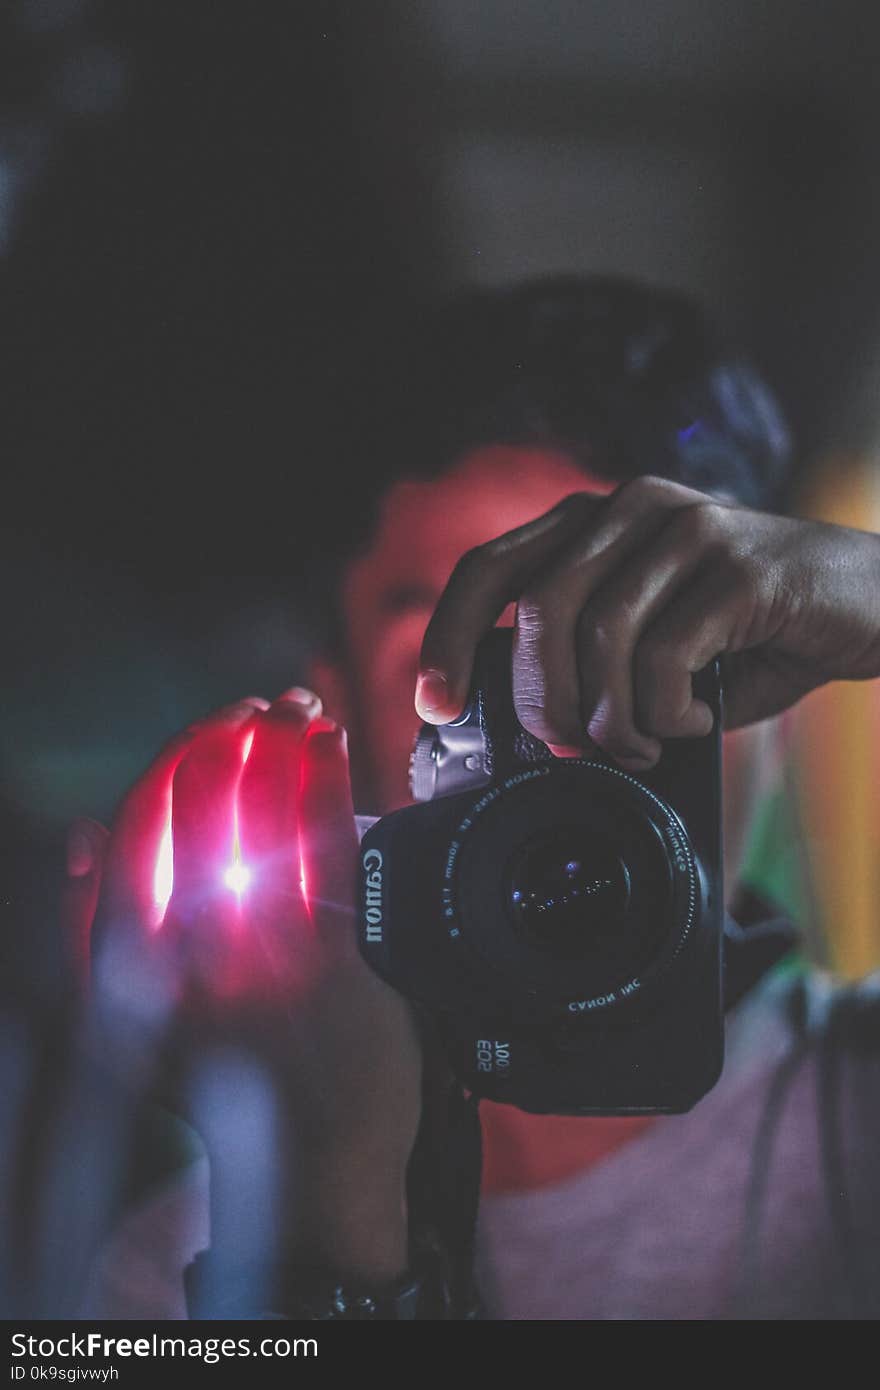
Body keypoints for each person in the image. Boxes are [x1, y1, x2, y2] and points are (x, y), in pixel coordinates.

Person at [64, 276, 880, 1320]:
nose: (549, 749)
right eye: (457, 682)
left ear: (780, 705)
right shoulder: (173, 1268)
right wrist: (333, 1189)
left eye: (637, 644)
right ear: (334, 721)